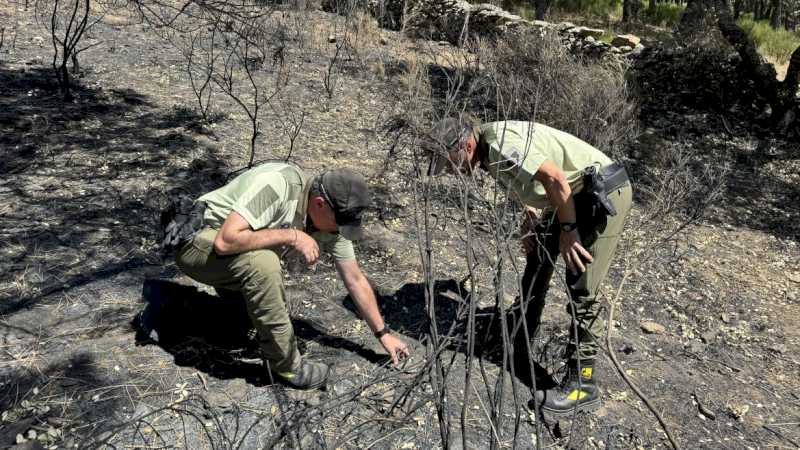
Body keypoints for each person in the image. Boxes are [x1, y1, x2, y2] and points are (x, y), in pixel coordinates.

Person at [425, 116, 632, 416]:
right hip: (569, 196)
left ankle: (583, 386)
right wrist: (530, 215)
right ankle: (520, 335)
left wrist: (569, 231)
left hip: (600, 193)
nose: (452, 172)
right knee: (538, 259)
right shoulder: (488, 150)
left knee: (581, 281)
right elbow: (530, 179)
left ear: (466, 145)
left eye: (451, 162)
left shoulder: (498, 144)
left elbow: (556, 179)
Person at [171, 162, 410, 390]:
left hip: (228, 260)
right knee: (263, 263)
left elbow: (355, 279)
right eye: (339, 223)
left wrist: (383, 334)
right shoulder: (278, 185)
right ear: (319, 204)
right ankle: (287, 368)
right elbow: (226, 241)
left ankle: (174, 302)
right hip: (196, 243)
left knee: (241, 325)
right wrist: (291, 236)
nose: (340, 231)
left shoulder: (330, 221)